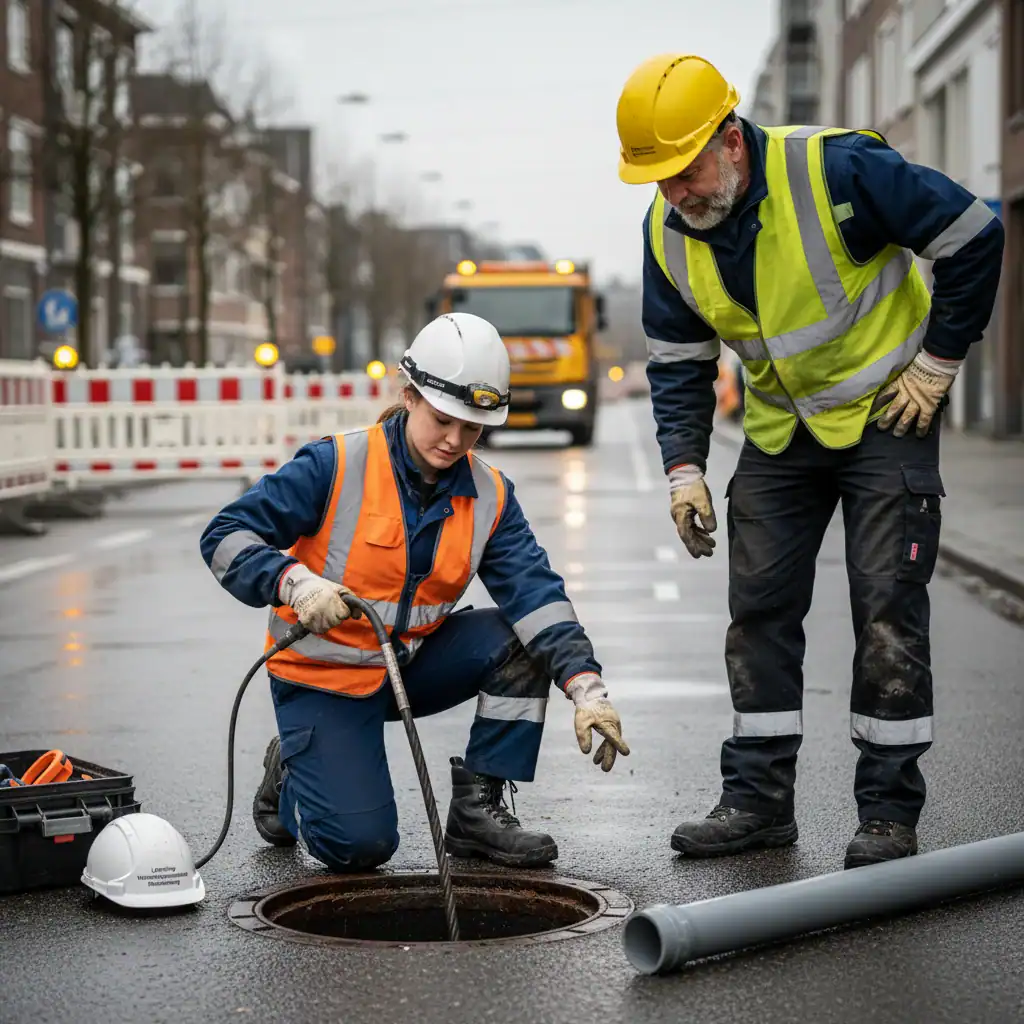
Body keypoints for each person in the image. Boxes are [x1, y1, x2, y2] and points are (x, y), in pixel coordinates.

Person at [615, 54, 1004, 869]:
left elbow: (975, 234)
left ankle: (888, 814)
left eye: (685, 172)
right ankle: (757, 803)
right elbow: (680, 363)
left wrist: (937, 364)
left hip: (889, 412)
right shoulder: (666, 234)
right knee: (757, 612)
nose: (677, 195)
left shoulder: (838, 172)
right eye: (659, 181)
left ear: (730, 139)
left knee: (887, 608)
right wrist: (684, 468)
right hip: (780, 430)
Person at [199, 312, 629, 872]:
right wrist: (294, 582)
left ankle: (478, 811)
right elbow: (224, 536)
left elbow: (536, 594)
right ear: (409, 396)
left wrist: (586, 687)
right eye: (443, 420)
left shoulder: (490, 496)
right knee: (360, 849)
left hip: (409, 664)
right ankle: (293, 770)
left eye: (472, 428)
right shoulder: (335, 464)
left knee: (520, 637)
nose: (454, 441)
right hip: (322, 678)